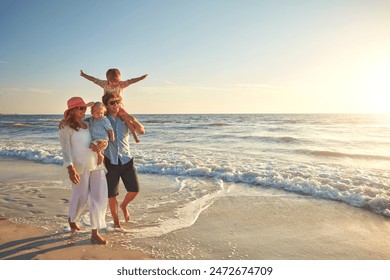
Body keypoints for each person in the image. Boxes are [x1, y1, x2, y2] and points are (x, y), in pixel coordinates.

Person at [59, 97, 108, 244]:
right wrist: (70, 168)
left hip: (97, 164)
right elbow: (66, 150)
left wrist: (103, 145)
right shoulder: (65, 128)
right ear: (72, 111)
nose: (83, 110)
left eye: (83, 108)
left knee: (98, 197)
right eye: (79, 108)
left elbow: (101, 136)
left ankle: (95, 232)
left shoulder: (89, 123)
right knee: (80, 196)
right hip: (80, 166)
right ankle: (72, 218)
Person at [102, 92, 145, 228]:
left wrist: (132, 118)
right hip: (111, 161)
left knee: (135, 190)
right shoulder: (102, 119)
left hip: (126, 160)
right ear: (106, 105)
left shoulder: (124, 118)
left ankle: (124, 205)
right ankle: (116, 222)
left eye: (118, 102)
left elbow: (141, 131)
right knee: (112, 195)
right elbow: (85, 124)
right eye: (112, 103)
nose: (116, 105)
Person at [80, 69, 147, 143]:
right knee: (99, 117)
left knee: (127, 120)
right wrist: (84, 75)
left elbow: (131, 81)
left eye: (116, 82)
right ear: (108, 79)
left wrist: (141, 78)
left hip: (120, 108)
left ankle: (135, 136)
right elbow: (94, 80)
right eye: (112, 81)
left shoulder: (121, 84)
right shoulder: (104, 84)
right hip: (104, 107)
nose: (114, 84)